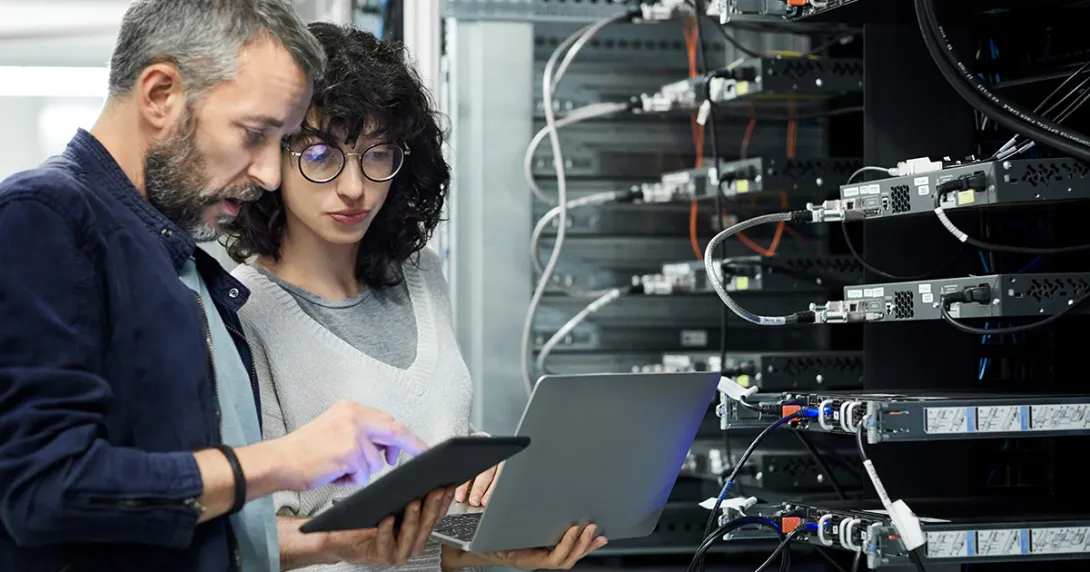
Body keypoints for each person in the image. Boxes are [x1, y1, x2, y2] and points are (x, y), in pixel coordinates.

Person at [0, 2, 450, 571]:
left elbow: (172, 530)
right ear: (161, 95)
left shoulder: (175, 257)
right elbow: (45, 489)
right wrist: (284, 461)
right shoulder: (45, 215)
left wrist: (335, 542)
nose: (267, 174)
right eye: (255, 134)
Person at [224, 23, 608, 572]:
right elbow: (249, 540)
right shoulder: (244, 313)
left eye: (376, 154)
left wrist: (497, 534)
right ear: (271, 160)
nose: (354, 186)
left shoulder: (422, 276)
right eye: (320, 155)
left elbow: (434, 522)